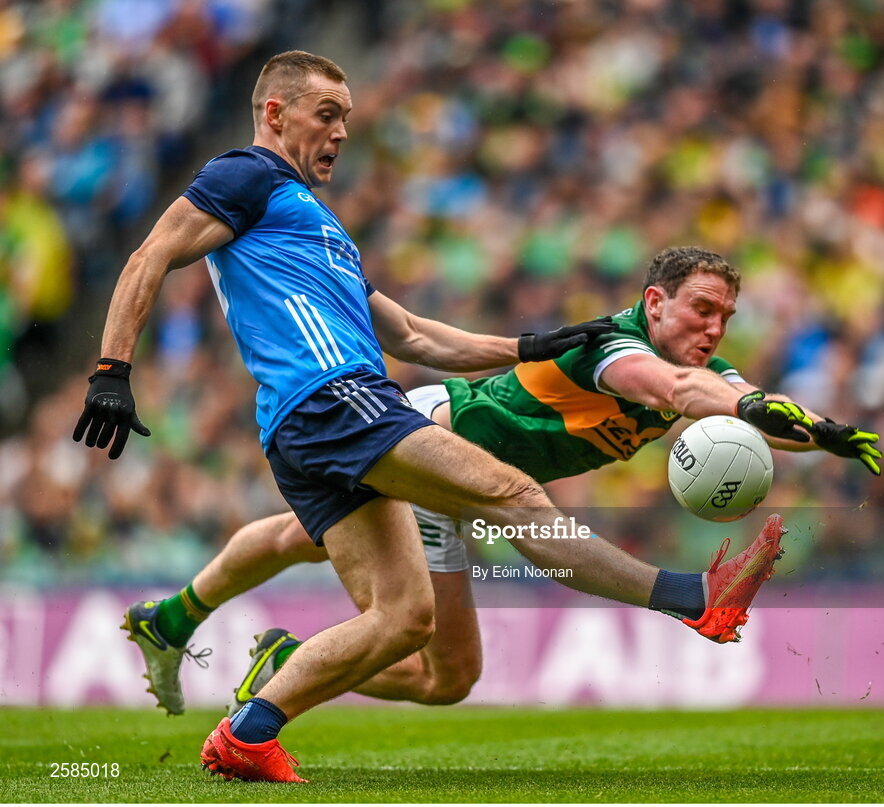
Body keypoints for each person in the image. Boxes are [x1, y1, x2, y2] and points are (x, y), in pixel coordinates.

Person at [74, 52, 826, 783]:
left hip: (307, 425)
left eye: (348, 118)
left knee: (404, 620)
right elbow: (150, 255)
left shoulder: (320, 227)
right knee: (514, 495)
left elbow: (412, 336)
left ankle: (245, 733)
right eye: (326, 114)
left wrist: (525, 346)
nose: (341, 132)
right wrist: (112, 369)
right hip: (336, 398)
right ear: (275, 112)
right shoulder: (247, 175)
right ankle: (691, 599)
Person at [121, 247, 883, 721]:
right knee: (528, 527)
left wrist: (822, 431)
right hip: (431, 437)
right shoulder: (611, 350)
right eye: (702, 309)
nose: (715, 328)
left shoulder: (709, 371)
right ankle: (689, 597)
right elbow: (679, 392)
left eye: (726, 316)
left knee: (443, 672)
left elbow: (748, 407)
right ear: (656, 302)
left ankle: (197, 623)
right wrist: (747, 404)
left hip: (464, 485)